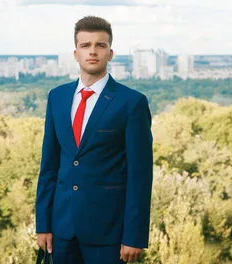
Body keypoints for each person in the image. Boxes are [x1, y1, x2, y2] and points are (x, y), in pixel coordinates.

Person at [35, 16, 153, 263]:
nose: (93, 51)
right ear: (75, 53)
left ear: (110, 53)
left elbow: (140, 176)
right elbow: (49, 166)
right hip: (61, 229)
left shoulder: (131, 103)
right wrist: (43, 224)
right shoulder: (57, 97)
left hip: (108, 232)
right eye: (86, 45)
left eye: (100, 45)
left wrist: (134, 236)